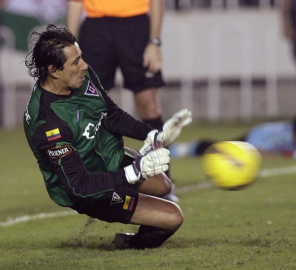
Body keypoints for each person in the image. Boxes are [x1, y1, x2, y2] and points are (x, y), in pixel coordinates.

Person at [23, 25, 192, 250]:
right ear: (54, 70)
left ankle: (137, 209)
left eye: (80, 57)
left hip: (107, 157)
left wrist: (153, 134)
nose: (83, 65)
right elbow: (79, 184)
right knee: (173, 217)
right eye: (75, 62)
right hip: (88, 189)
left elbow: (111, 114)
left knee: (162, 185)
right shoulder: (47, 123)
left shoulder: (82, 77)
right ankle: (130, 242)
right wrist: (133, 173)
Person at [66, 0, 180, 201]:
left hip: (135, 26)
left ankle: (164, 182)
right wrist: (69, 49)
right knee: (89, 106)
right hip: (95, 27)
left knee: (149, 104)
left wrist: (154, 42)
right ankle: (93, 182)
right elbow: (75, 3)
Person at [169, 114, 296, 160]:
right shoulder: (279, 137)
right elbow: (254, 151)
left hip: (262, 137)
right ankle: (175, 150)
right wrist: (291, 155)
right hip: (255, 135)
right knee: (219, 148)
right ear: (294, 134)